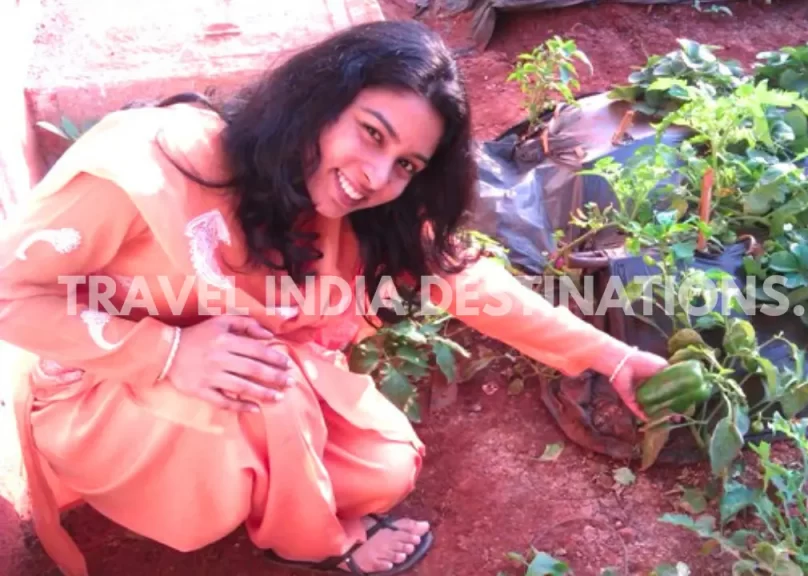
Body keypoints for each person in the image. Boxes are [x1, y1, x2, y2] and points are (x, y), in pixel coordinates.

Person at [0, 19, 667, 576]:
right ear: (318, 102)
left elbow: (467, 282)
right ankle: (318, 544)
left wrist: (610, 357)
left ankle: (273, 479)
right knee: (269, 383)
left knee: (382, 467)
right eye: (371, 133)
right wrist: (170, 350)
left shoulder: (356, 212)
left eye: (406, 164)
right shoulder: (154, 166)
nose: (375, 177)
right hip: (105, 388)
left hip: (247, 373)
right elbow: (8, 294)